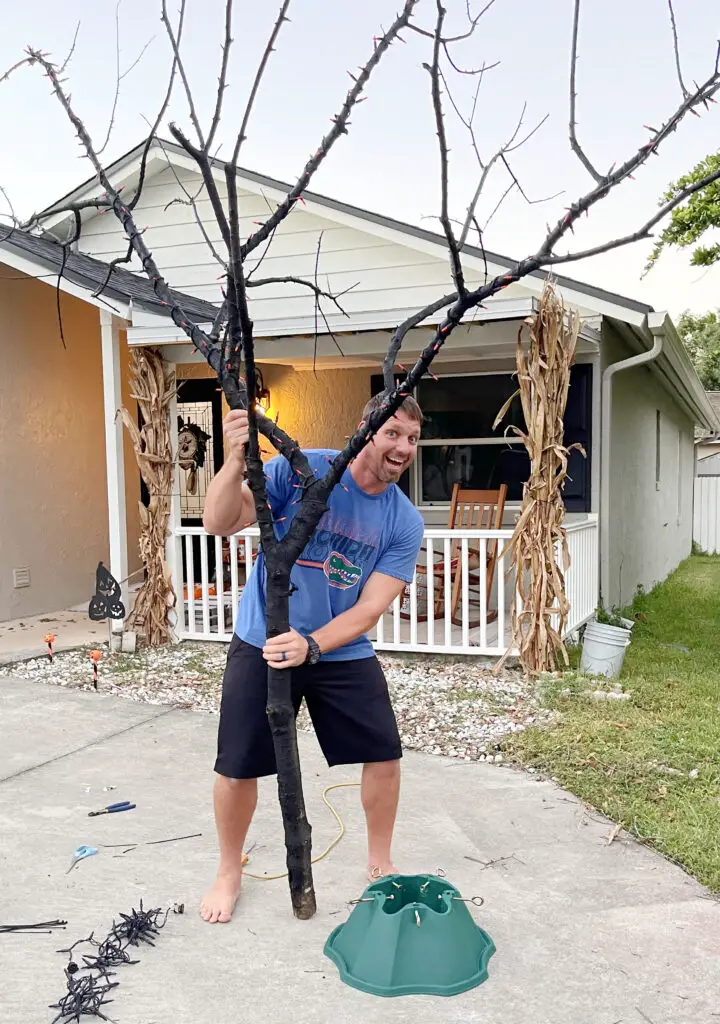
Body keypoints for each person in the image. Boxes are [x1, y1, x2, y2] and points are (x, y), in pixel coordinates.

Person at [199, 393, 425, 923]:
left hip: (339, 647)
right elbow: (218, 522)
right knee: (236, 767)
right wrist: (236, 459)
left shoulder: (403, 520)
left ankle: (379, 865)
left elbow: (371, 608)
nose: (403, 448)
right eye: (392, 433)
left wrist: (316, 644)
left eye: (413, 439)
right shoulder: (302, 471)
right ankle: (230, 869)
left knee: (384, 754)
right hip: (264, 639)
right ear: (365, 429)